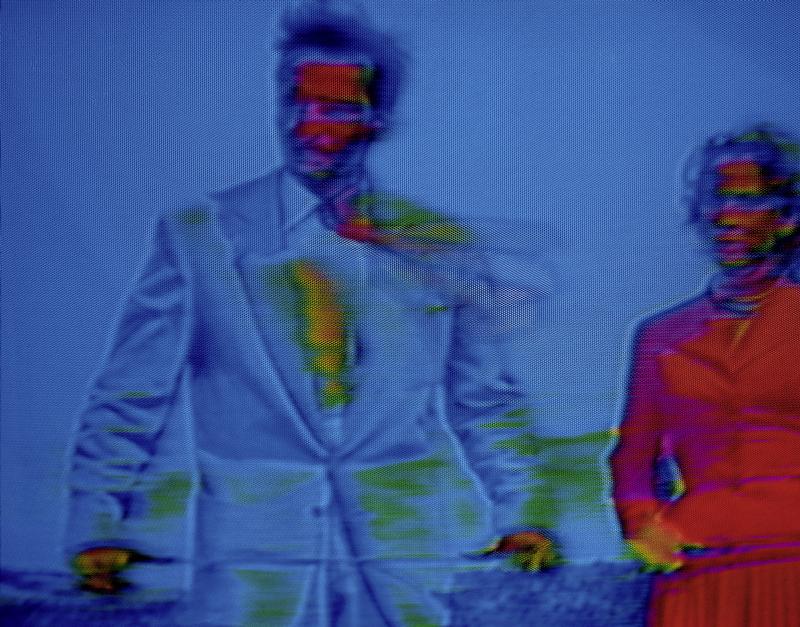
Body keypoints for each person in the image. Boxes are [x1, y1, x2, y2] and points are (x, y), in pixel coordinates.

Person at [66, 4, 554, 625]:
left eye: (337, 108)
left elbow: (484, 398)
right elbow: (131, 393)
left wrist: (521, 511)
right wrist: (96, 520)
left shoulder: (434, 244)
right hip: (252, 576)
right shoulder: (199, 237)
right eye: (298, 102)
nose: (309, 125)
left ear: (378, 120)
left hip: (400, 571)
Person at [609, 127, 800, 626]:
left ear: (786, 217)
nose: (725, 215)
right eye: (715, 199)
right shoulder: (659, 336)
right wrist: (641, 522)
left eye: (747, 199)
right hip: (696, 559)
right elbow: (632, 455)